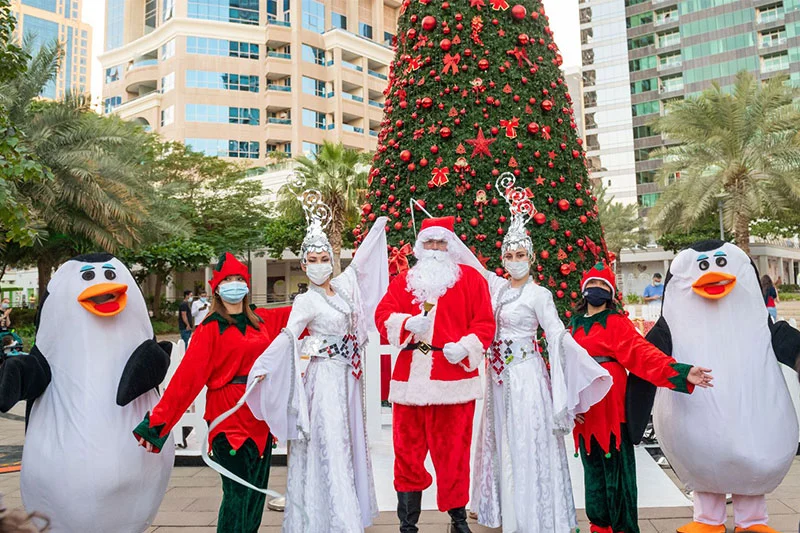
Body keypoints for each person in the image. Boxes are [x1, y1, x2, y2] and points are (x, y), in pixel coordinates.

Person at [471, 178, 612, 533]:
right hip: (499, 380)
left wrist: (575, 368)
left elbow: (556, 334)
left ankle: (535, 518)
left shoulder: (540, 294)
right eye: (509, 255)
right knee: (503, 443)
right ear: (502, 257)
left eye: (520, 255)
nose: (514, 261)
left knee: (528, 445)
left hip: (527, 378)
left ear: (531, 258)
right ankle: (508, 513)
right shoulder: (497, 289)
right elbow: (470, 269)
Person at [247, 193, 389, 532]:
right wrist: (264, 365)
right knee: (329, 445)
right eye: (313, 259)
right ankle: (330, 520)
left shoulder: (340, 290)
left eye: (325, 257)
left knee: (345, 442)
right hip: (322, 381)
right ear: (304, 264)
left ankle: (340, 514)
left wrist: (378, 228)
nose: (320, 263)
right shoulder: (306, 301)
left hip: (346, 379)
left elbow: (360, 268)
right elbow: (288, 336)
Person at [133, 253, 291, 533]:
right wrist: (157, 424)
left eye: (239, 279)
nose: (234, 285)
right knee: (237, 496)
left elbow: (305, 313)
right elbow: (186, 380)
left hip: (260, 418)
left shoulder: (263, 320)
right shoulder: (209, 329)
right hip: (228, 419)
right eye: (228, 280)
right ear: (216, 288)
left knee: (254, 498)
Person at [569, 262, 714, 533]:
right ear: (583, 289)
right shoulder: (574, 325)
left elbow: (643, 355)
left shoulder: (615, 322)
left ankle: (624, 528)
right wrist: (568, 405)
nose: (596, 289)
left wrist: (682, 373)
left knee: (618, 474)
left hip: (612, 408)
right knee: (593, 473)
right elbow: (564, 364)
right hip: (584, 409)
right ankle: (599, 526)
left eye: (603, 285)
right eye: (593, 284)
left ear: (611, 293)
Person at [374, 216, 496, 533]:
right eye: (429, 242)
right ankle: (407, 525)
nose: (435, 248)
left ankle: (457, 521)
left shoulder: (470, 279)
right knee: (406, 456)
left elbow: (484, 324)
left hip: (453, 381)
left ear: (451, 246)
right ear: (419, 247)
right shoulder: (403, 282)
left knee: (454, 455)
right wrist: (403, 323)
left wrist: (467, 346)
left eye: (441, 242)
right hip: (410, 384)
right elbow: (382, 315)